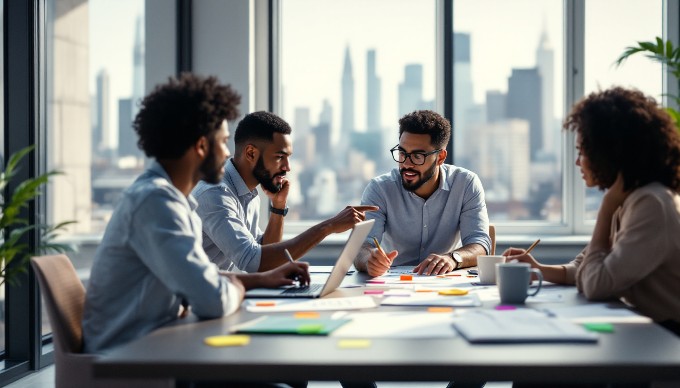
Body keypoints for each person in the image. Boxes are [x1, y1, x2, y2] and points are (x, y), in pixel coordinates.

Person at [82, 74, 310, 367]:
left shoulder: (172, 200)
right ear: (202, 146)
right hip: (132, 359)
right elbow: (212, 299)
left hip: (158, 343)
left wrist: (260, 279)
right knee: (285, 371)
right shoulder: (156, 203)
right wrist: (243, 286)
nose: (229, 153)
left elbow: (201, 278)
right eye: (225, 142)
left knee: (285, 366)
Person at [504, 86, 680, 338]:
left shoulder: (651, 204)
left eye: (582, 152)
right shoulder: (632, 198)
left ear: (608, 152)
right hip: (642, 331)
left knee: (545, 363)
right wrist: (538, 269)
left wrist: (607, 208)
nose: (578, 162)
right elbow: (586, 267)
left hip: (665, 338)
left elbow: (596, 283)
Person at [192, 111, 377, 272]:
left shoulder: (248, 192)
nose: (287, 167)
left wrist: (278, 208)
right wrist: (327, 227)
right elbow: (254, 263)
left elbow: (265, 253)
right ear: (250, 153)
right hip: (194, 305)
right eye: (280, 157)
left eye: (288, 158)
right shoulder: (215, 194)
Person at [354, 110, 491, 277]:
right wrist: (370, 260)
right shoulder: (380, 189)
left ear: (440, 157)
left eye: (417, 156)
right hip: (393, 282)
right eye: (403, 153)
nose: (406, 164)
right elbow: (361, 247)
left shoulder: (465, 184)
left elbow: (480, 244)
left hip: (444, 281)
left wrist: (453, 258)